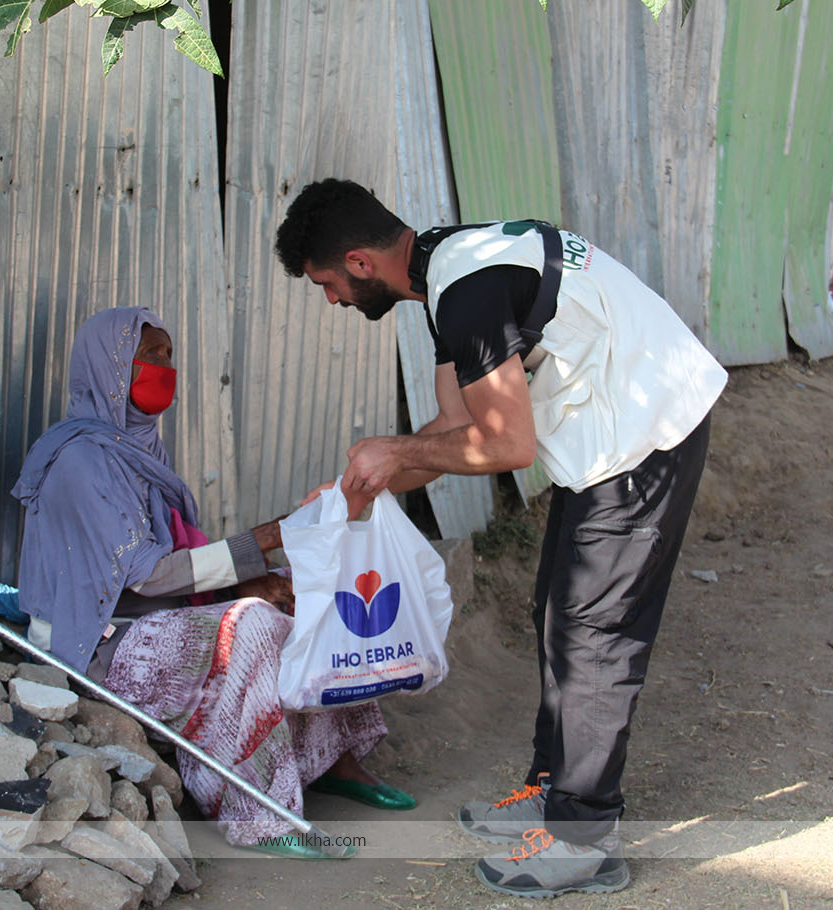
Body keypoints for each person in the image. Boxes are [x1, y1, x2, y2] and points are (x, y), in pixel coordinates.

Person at [276, 179, 727, 895]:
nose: (331, 300)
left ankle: (585, 836)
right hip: (606, 430)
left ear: (359, 263)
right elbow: (456, 432)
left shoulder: (468, 287)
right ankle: (550, 793)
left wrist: (392, 456)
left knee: (594, 633)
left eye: (327, 284)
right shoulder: (444, 278)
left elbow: (507, 444)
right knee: (558, 610)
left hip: (648, 429)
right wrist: (354, 491)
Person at [11, 306, 415, 858]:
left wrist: (253, 578)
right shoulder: (83, 461)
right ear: (108, 370)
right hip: (98, 648)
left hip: (149, 621)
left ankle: (337, 760)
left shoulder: (139, 451)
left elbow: (174, 565)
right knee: (250, 626)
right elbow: (148, 574)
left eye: (169, 355)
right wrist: (263, 542)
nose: (164, 367)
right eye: (148, 356)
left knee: (305, 592)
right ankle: (258, 814)